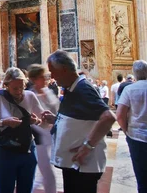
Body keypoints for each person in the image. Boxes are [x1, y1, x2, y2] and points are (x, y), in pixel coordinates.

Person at [41, 50, 116, 193]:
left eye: (53, 72)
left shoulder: (83, 88)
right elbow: (80, 118)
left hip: (84, 164)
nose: (52, 77)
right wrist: (56, 119)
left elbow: (108, 117)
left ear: (63, 70)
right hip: (74, 162)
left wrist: (88, 146)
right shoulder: (72, 88)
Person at [0, 67, 43, 193]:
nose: (19, 91)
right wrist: (4, 122)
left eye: (22, 87)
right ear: (6, 85)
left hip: (28, 150)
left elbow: (40, 119)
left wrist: (35, 121)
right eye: (15, 88)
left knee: (26, 189)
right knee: (5, 188)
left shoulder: (30, 96)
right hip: (6, 151)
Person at [27, 64, 59, 193]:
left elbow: (57, 109)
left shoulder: (48, 91)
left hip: (53, 133)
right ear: (34, 79)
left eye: (45, 77)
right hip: (40, 136)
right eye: (42, 77)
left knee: (46, 170)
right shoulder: (30, 95)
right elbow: (31, 118)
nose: (45, 80)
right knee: (47, 170)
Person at [116, 59, 147, 193]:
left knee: (142, 177)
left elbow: (120, 115)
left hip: (136, 137)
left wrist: (126, 130)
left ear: (134, 73)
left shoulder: (130, 89)